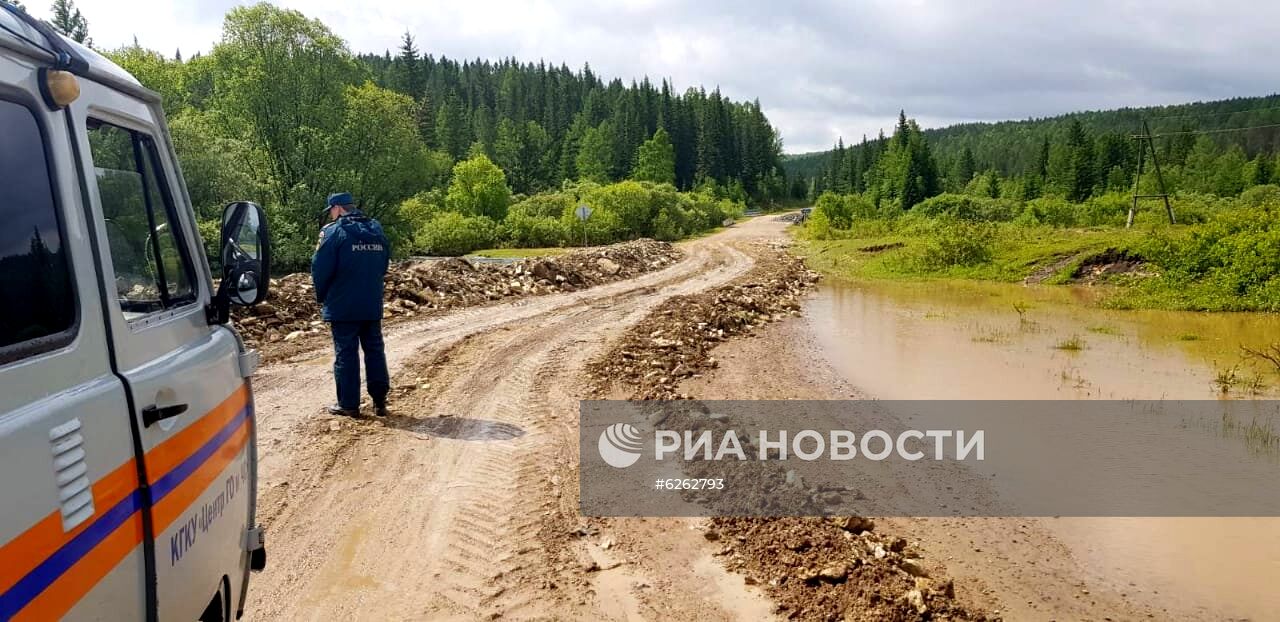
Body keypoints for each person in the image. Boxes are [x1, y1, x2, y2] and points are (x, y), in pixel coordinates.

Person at [311, 192, 392, 417]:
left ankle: (348, 404)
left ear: (337, 208)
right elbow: (384, 263)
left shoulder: (332, 232)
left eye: (331, 210)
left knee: (346, 353)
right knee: (375, 350)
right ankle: (380, 401)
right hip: (371, 301)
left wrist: (322, 296)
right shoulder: (375, 229)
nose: (331, 214)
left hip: (342, 304)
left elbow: (320, 268)